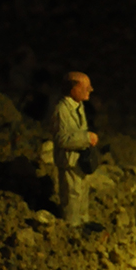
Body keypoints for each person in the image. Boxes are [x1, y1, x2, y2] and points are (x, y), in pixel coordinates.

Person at [51, 71, 99, 230]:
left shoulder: (78, 106)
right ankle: (73, 225)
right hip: (69, 160)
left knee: (83, 191)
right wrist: (86, 138)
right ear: (73, 89)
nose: (90, 89)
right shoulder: (62, 110)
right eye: (85, 86)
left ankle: (83, 221)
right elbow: (61, 139)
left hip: (79, 160)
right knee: (72, 193)